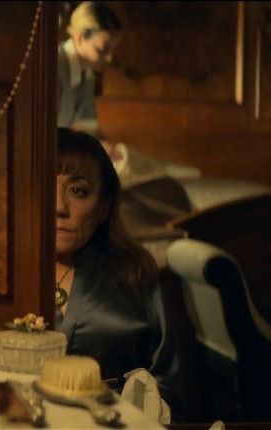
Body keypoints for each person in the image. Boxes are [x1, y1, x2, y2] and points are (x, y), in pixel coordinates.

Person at [54, 128, 181, 416]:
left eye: (77, 191)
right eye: (46, 188)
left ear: (104, 206)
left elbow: (168, 383)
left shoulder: (135, 275)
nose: (60, 207)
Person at [57, 1, 121, 134]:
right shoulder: (56, 68)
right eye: (102, 50)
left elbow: (89, 127)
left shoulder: (87, 73)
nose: (109, 58)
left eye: (112, 50)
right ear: (80, 38)